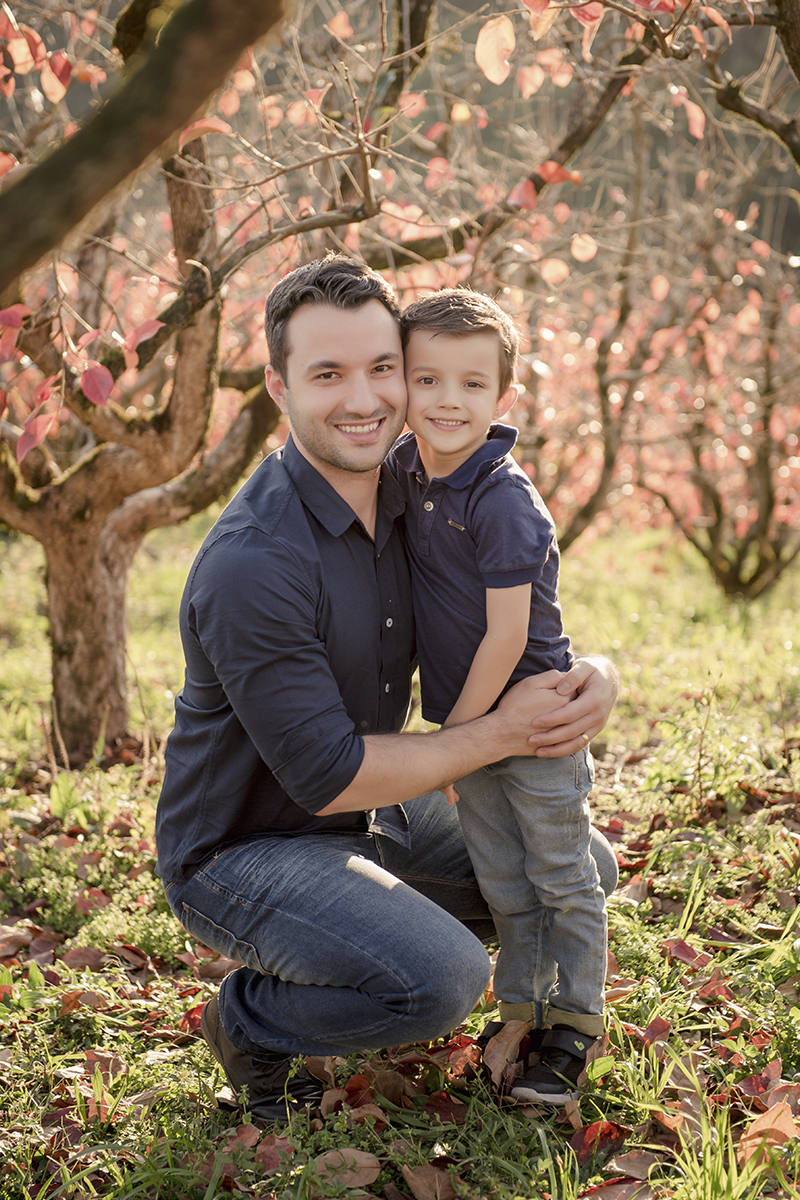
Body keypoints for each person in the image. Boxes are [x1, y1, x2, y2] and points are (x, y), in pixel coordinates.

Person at [154, 255, 618, 1123]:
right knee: (442, 980)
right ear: (278, 386)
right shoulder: (256, 562)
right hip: (245, 849)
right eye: (328, 373)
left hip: (373, 815)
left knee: (581, 868)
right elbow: (329, 773)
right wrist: (498, 735)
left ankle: (362, 941)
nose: (363, 398)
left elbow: (504, 607)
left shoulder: (411, 488)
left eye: (382, 369)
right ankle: (250, 1021)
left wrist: (594, 674)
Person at [389, 288, 606, 1105]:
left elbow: (508, 637)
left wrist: (459, 737)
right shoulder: (410, 468)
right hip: (476, 724)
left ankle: (575, 1026)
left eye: (472, 384)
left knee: (560, 878)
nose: (448, 400)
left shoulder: (505, 500)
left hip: (532, 719)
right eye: (428, 379)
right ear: (402, 385)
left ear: (503, 398)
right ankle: (519, 1010)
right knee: (503, 882)